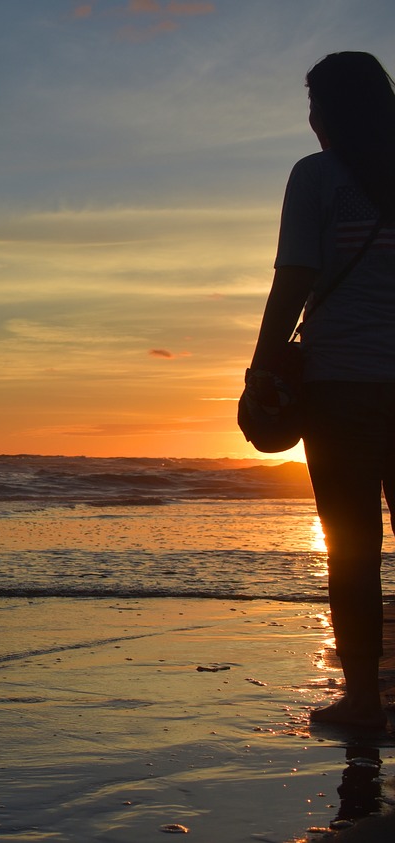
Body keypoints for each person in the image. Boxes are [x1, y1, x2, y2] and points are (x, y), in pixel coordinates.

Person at [249, 51, 395, 731]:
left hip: (341, 385)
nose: (310, 121)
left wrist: (261, 371)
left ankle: (364, 699)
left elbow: (294, 281)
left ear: (327, 114)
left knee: (353, 547)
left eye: (315, 107)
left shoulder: (316, 176)